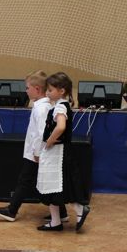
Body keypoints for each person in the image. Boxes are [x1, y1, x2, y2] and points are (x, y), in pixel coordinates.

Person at [0, 70, 68, 223]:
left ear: (37, 89)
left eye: (27, 88)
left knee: (25, 181)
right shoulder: (42, 106)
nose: (26, 91)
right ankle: (62, 213)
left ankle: (12, 211)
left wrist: (37, 153)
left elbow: (41, 133)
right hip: (36, 153)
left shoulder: (41, 108)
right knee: (37, 181)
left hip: (37, 154)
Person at [36, 72, 90, 232]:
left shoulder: (60, 107)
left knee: (60, 185)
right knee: (51, 186)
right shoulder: (59, 105)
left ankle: (79, 209)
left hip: (57, 153)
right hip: (54, 152)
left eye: (50, 90)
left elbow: (60, 127)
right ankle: (55, 221)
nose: (47, 93)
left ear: (61, 91)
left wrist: (50, 140)